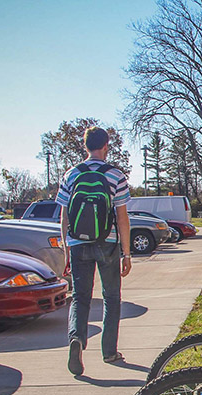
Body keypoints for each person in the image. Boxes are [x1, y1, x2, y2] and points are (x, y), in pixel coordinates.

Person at [57, 126, 132, 376]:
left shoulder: (71, 174)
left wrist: (67, 249)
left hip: (78, 244)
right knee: (111, 297)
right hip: (107, 243)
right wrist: (126, 252)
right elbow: (122, 217)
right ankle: (109, 351)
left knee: (80, 297)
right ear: (106, 146)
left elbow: (64, 216)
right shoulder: (115, 176)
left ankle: (76, 339)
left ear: (85, 145)